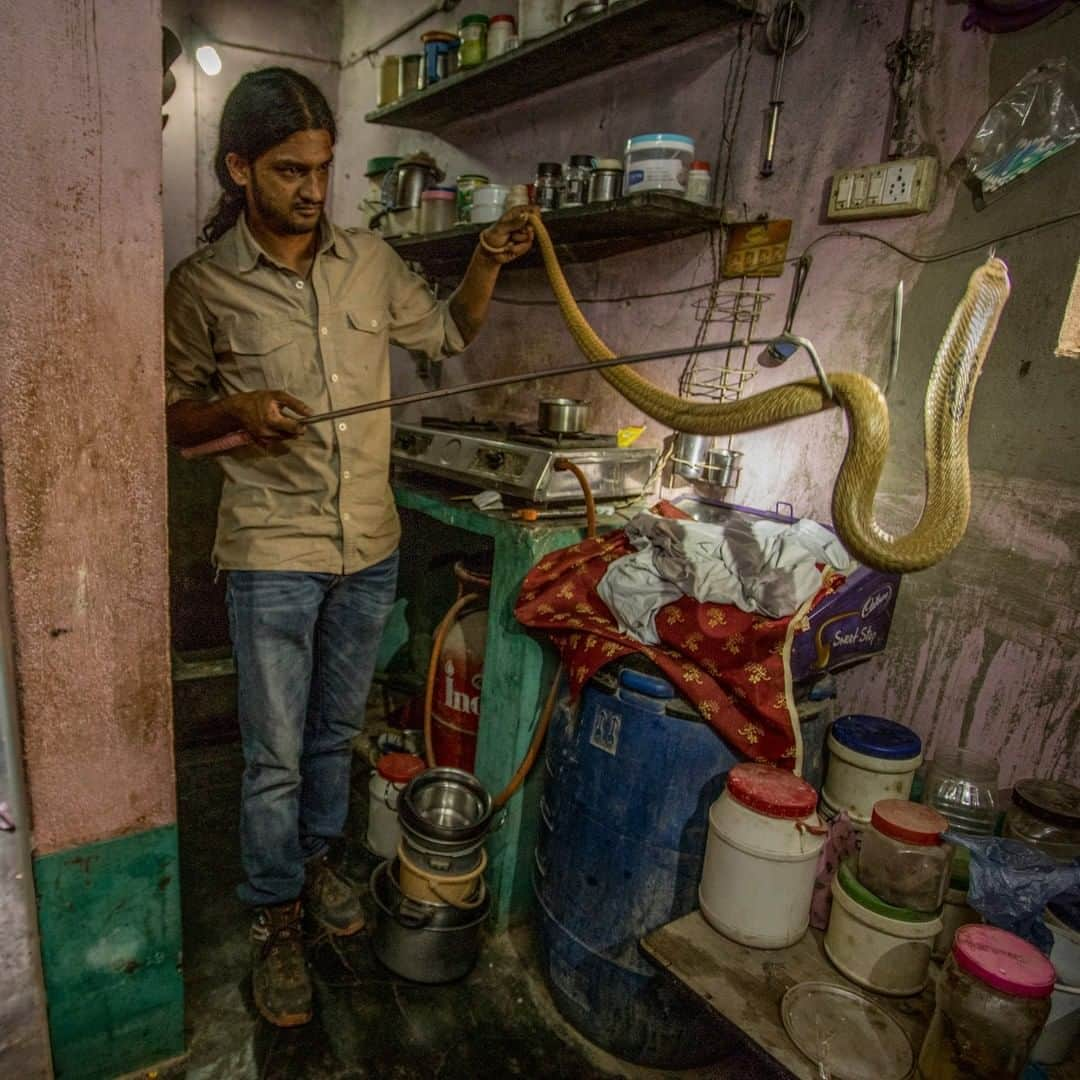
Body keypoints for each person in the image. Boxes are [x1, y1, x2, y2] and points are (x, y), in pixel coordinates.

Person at [164, 67, 534, 1027]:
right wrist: (236, 410)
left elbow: (449, 332)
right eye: (290, 170)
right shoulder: (202, 286)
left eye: (324, 169)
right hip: (271, 553)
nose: (313, 190)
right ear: (238, 168)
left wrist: (487, 262)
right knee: (273, 757)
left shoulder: (369, 262)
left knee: (338, 735)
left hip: (368, 546)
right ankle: (275, 916)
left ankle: (322, 864)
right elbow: (172, 418)